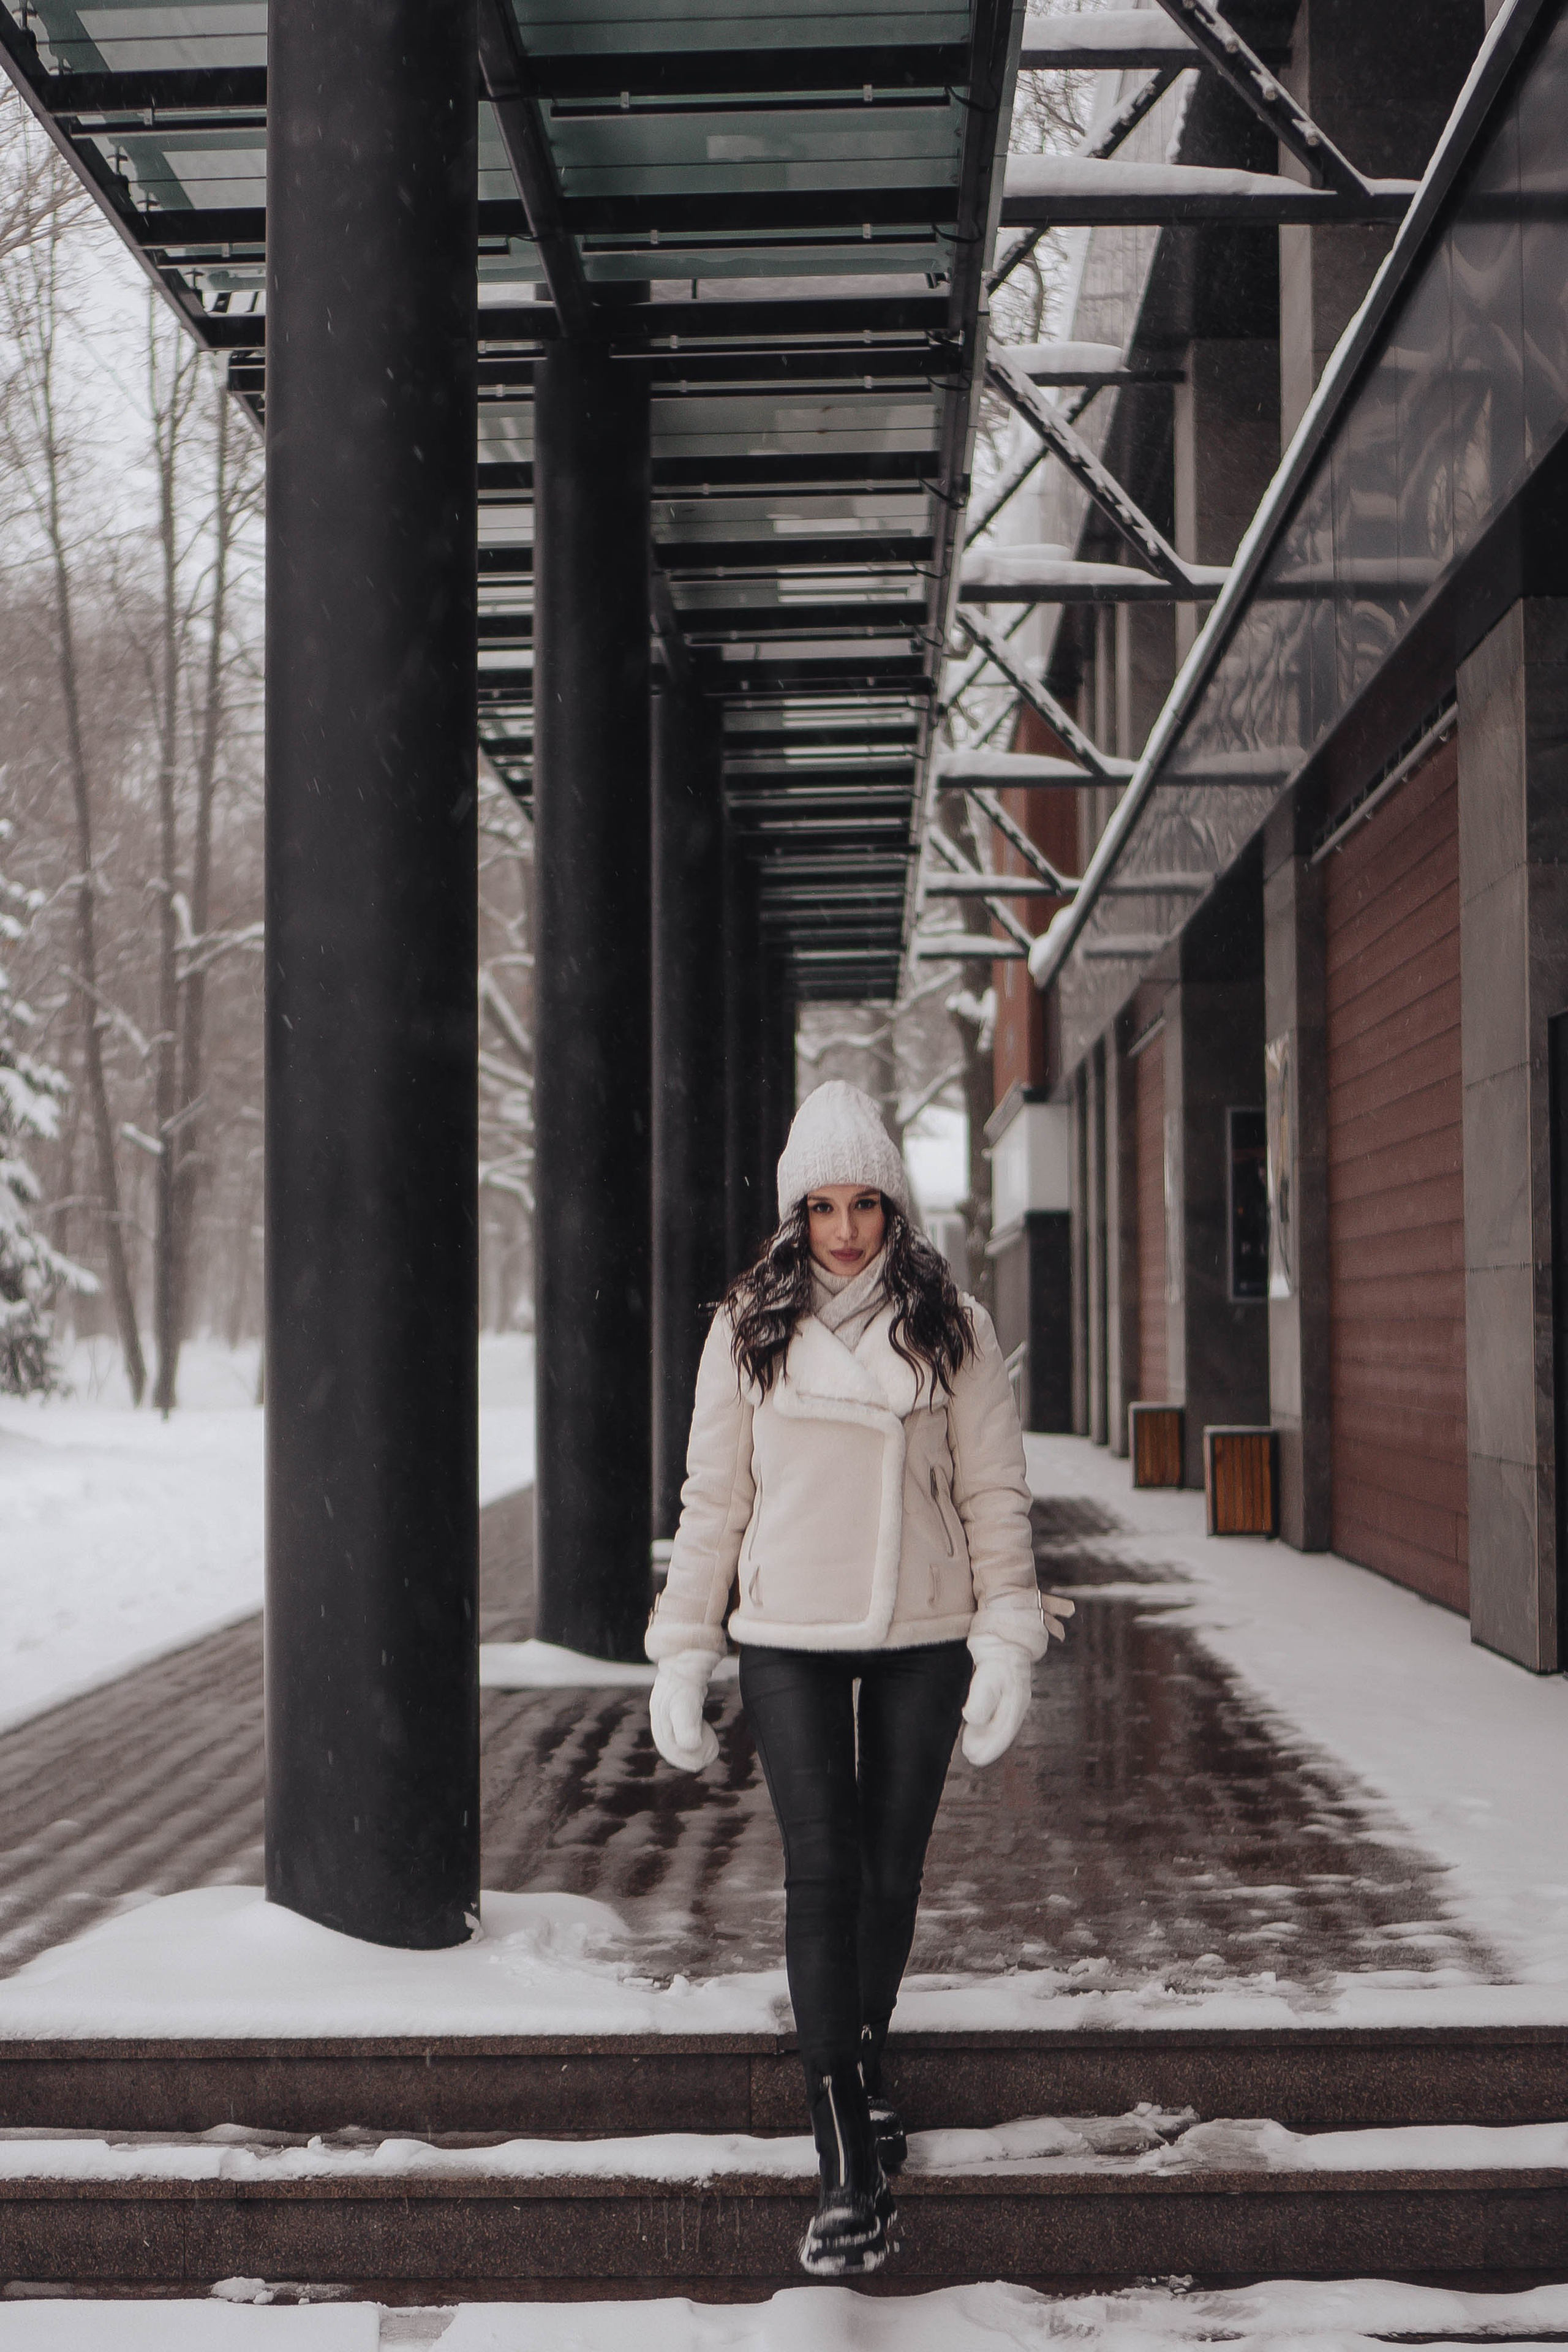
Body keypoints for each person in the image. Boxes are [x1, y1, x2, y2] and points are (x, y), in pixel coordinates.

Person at [645, 1080, 1072, 2277]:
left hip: (924, 1629)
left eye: (862, 1203)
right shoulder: (745, 1329)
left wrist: (1004, 1634)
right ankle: (846, 2162)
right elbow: (712, 1503)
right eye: (821, 1206)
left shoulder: (954, 1326)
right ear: (795, 1213)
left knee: (889, 1872)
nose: (841, 1229)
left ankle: (863, 2051)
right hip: (786, 1628)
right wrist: (684, 1647)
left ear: (892, 1203)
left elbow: (995, 1493)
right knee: (821, 1872)